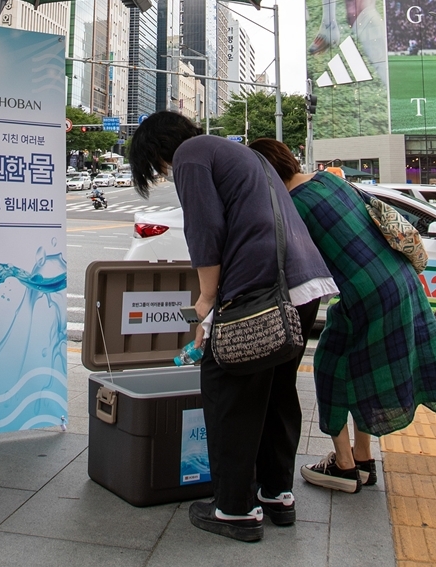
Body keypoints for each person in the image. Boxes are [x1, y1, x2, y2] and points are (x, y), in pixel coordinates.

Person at [131, 112, 337, 543]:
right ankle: (277, 492)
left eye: (156, 165)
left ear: (158, 149)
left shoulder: (191, 154)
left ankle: (235, 510)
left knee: (228, 387)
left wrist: (206, 301)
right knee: (276, 388)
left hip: (260, 289)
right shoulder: (240, 154)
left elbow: (206, 230)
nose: (164, 173)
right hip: (302, 285)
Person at [249, 139, 436, 494]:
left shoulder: (292, 206)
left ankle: (344, 466)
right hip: (402, 279)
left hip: (365, 292)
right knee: (363, 368)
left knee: (330, 368)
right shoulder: (329, 180)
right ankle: (363, 459)